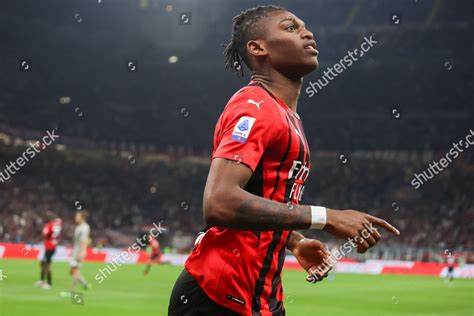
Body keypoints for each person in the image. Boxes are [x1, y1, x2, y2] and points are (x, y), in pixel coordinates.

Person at [168, 5, 400, 315]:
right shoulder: (254, 107)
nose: (307, 33)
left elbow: (256, 197)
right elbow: (219, 202)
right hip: (218, 294)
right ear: (257, 47)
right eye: (290, 28)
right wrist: (327, 217)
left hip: (262, 298)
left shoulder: (285, 114)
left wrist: (292, 242)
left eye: (304, 27)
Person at [35, 211, 62, 289]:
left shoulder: (49, 225)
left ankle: (49, 284)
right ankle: (42, 280)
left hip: (49, 247)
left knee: (47, 265)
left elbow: (45, 234)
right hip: (53, 246)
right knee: (43, 263)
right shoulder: (56, 225)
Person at [69, 210, 91, 291]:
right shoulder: (79, 227)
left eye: (77, 216)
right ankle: (85, 284)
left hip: (80, 251)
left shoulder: (84, 228)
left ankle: (72, 290)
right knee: (71, 271)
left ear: (82, 217)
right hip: (76, 251)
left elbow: (83, 241)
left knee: (75, 270)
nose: (76, 217)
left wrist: (81, 253)